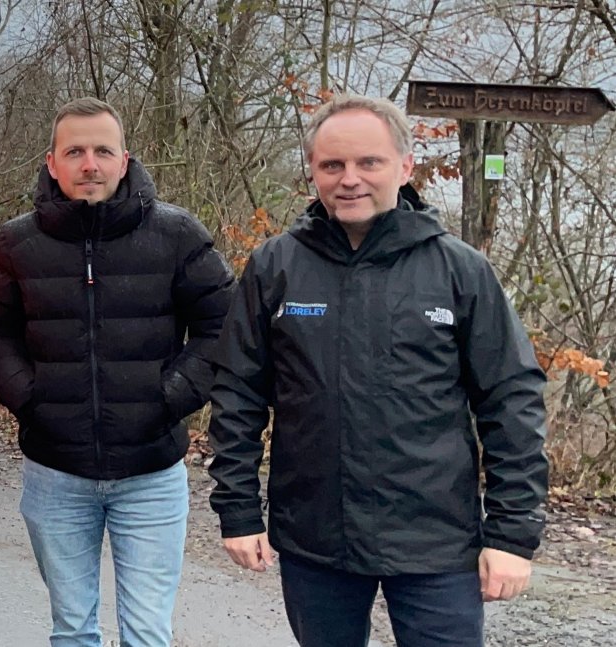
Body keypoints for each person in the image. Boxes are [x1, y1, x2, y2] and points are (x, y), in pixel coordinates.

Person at [207, 94, 549, 647]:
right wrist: (238, 510)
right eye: (332, 165)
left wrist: (513, 535)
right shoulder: (276, 266)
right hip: (316, 539)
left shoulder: (460, 270)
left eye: (369, 162)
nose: (350, 179)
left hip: (437, 543)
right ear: (313, 170)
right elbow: (239, 393)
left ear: (406, 167)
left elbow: (512, 400)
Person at [0, 97, 234, 646]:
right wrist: (31, 399)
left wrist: (167, 398)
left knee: (146, 633)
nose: (89, 163)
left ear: (124, 159)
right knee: (72, 630)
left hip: (151, 473)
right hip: (55, 472)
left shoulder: (178, 234)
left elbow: (223, 328)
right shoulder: (17, 243)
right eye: (75, 151)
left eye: (101, 151)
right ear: (52, 162)